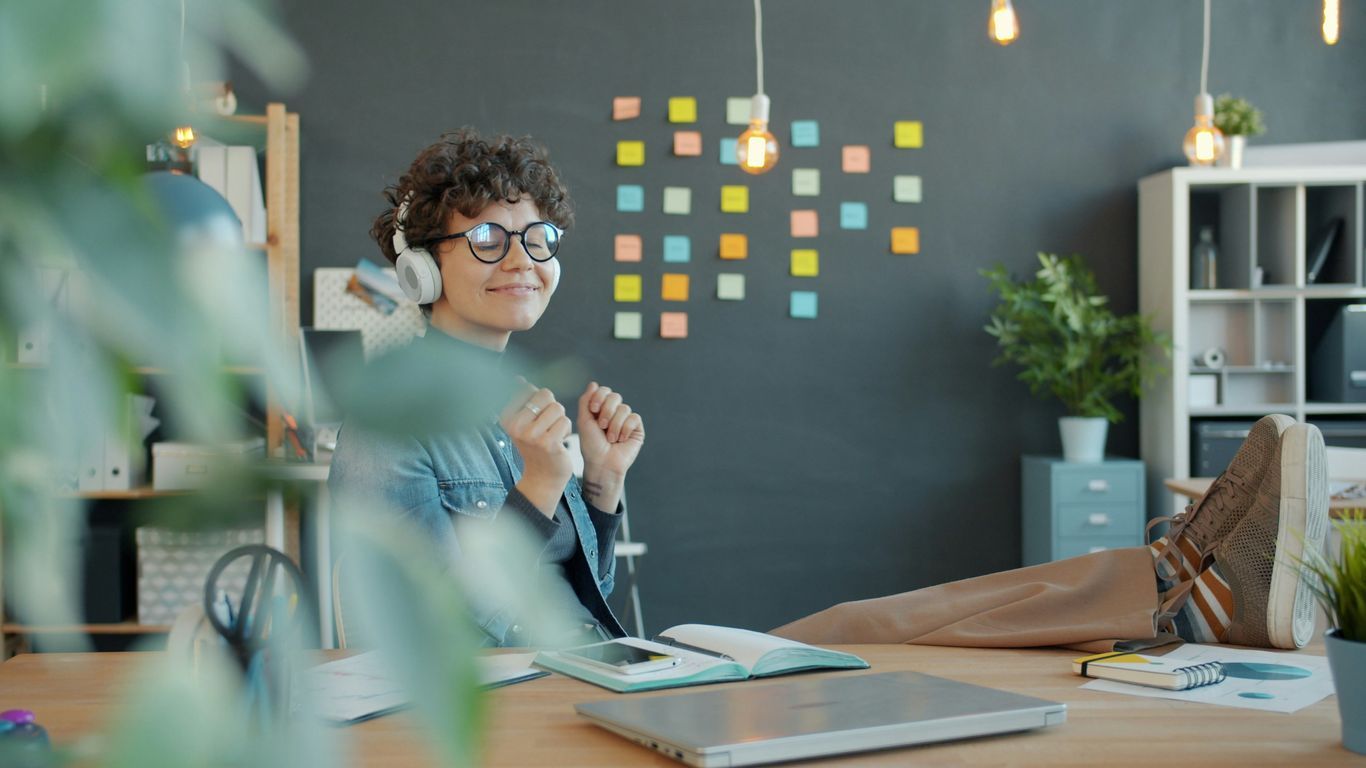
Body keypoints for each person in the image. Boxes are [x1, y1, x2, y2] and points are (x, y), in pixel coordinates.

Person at [328, 128, 644, 648]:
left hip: (587, 670)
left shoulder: (517, 402)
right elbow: (427, 632)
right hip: (510, 709)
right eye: (487, 240)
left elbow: (579, 596)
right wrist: (538, 487)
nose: (523, 261)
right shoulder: (388, 424)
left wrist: (602, 485)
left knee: (828, 630)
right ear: (423, 268)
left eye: (537, 238)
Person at [771, 414, 1330, 652]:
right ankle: (1185, 603)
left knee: (871, 619)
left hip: (710, 664)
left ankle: (1166, 580)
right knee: (859, 626)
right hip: (722, 675)